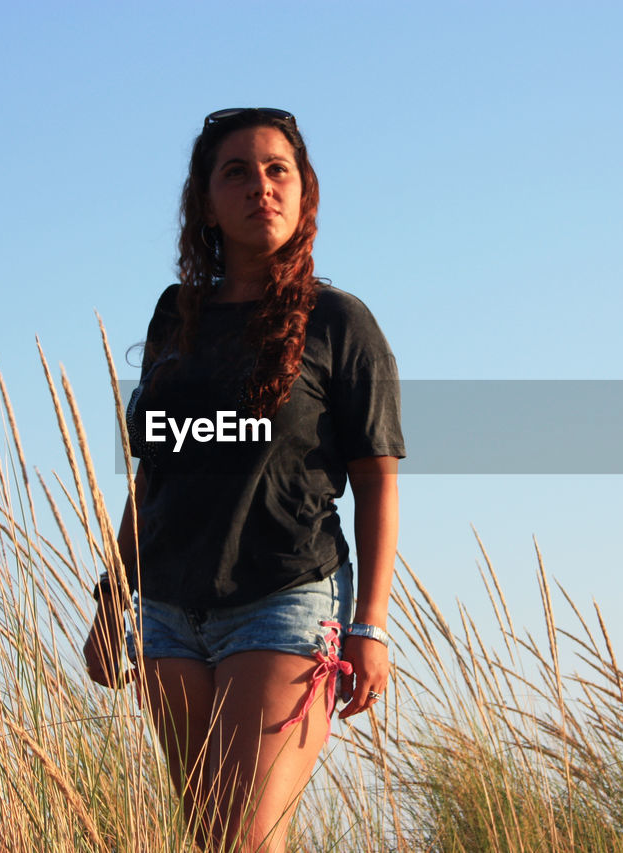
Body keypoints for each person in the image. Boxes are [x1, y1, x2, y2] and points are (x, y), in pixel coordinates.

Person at [84, 107, 403, 853]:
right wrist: (113, 594)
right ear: (205, 201)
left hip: (284, 599)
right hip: (168, 612)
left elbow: (378, 479)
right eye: (238, 171)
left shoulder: (339, 322)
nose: (261, 186)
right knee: (212, 839)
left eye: (277, 170)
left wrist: (371, 625)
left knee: (244, 838)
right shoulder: (177, 316)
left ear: (303, 191)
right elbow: (154, 472)